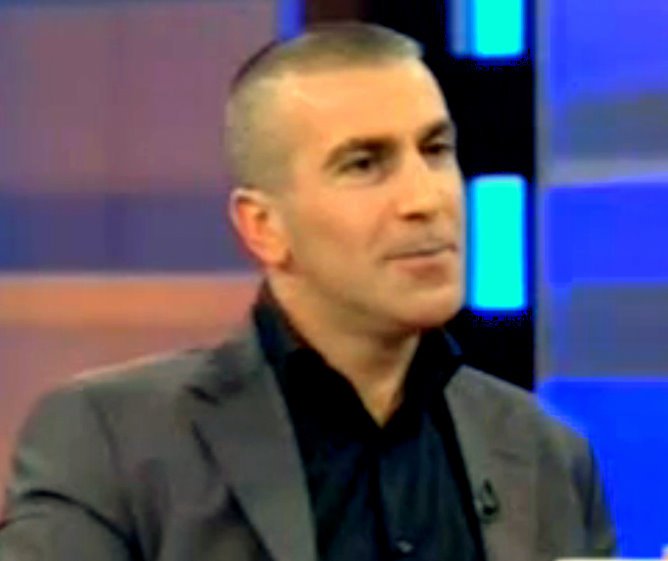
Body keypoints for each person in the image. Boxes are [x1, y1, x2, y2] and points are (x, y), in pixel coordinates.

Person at [0, 22, 615, 561]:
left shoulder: (548, 457)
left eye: (435, 150)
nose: (426, 199)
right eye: (364, 164)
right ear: (264, 227)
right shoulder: (113, 443)